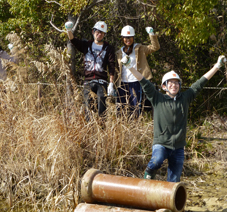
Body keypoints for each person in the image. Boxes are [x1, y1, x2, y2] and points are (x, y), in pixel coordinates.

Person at [121, 54, 226, 182]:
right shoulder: (157, 98)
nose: (174, 85)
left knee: (174, 181)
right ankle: (147, 180)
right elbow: (143, 81)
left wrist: (217, 66)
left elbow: (200, 83)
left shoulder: (185, 98)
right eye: (170, 83)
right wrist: (130, 67)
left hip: (178, 148)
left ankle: (167, 200)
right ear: (164, 86)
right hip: (161, 144)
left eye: (176, 83)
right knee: (156, 161)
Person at [65, 21, 116, 119]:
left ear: (104, 34)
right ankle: (90, 129)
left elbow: (111, 66)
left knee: (101, 103)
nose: (99, 34)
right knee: (87, 106)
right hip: (88, 81)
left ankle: (102, 128)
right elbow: (73, 40)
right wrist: (68, 30)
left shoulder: (108, 48)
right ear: (93, 32)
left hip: (102, 81)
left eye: (102, 32)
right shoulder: (86, 45)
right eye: (97, 31)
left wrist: (111, 83)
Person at [116, 25, 160, 118]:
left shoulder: (140, 49)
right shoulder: (119, 52)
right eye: (126, 37)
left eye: (130, 37)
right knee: (121, 109)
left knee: (135, 108)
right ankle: (121, 130)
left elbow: (155, 47)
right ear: (122, 38)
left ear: (133, 37)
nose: (128, 40)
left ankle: (135, 128)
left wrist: (151, 34)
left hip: (136, 82)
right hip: (122, 83)